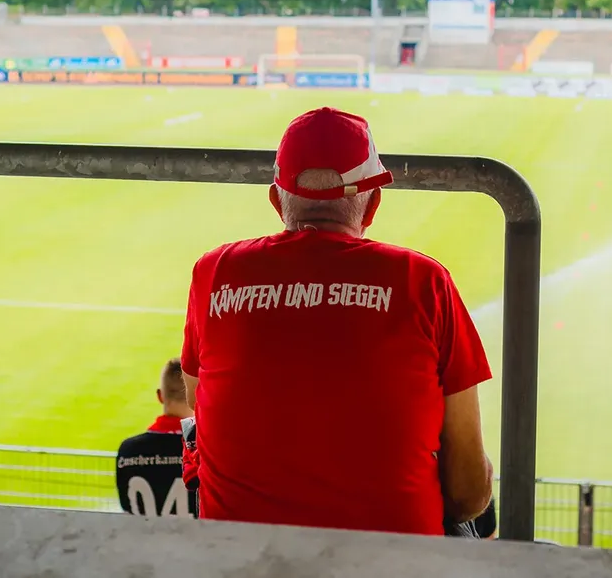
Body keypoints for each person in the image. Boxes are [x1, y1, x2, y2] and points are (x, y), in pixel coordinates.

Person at [180, 106, 493, 536]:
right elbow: (468, 493)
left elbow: (201, 420)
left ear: (276, 200)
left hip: (241, 560)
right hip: (394, 563)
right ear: (373, 203)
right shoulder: (425, 282)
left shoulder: (214, 273)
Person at [115, 358, 197, 518]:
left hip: (144, 541)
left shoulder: (128, 450)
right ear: (197, 396)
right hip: (197, 542)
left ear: (160, 396)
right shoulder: (203, 452)